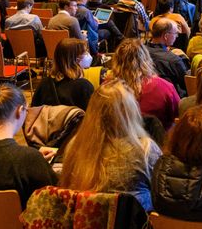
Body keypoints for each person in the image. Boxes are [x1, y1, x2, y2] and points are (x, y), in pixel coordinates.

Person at [59, 82, 162, 212]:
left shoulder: (74, 146)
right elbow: (162, 196)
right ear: (130, 112)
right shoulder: (145, 149)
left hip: (87, 227)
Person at [110, 38, 180, 131]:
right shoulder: (164, 86)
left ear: (116, 61)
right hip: (158, 141)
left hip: (119, 140)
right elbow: (178, 115)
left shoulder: (106, 88)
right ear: (146, 59)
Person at [32, 37, 95, 110]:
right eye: (85, 52)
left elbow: (34, 112)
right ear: (76, 60)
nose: (88, 55)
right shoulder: (84, 86)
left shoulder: (44, 83)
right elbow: (92, 117)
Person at [145, 18, 189, 97]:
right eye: (175, 33)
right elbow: (186, 85)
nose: (177, 36)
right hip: (169, 99)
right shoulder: (174, 60)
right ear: (166, 36)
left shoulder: (140, 52)